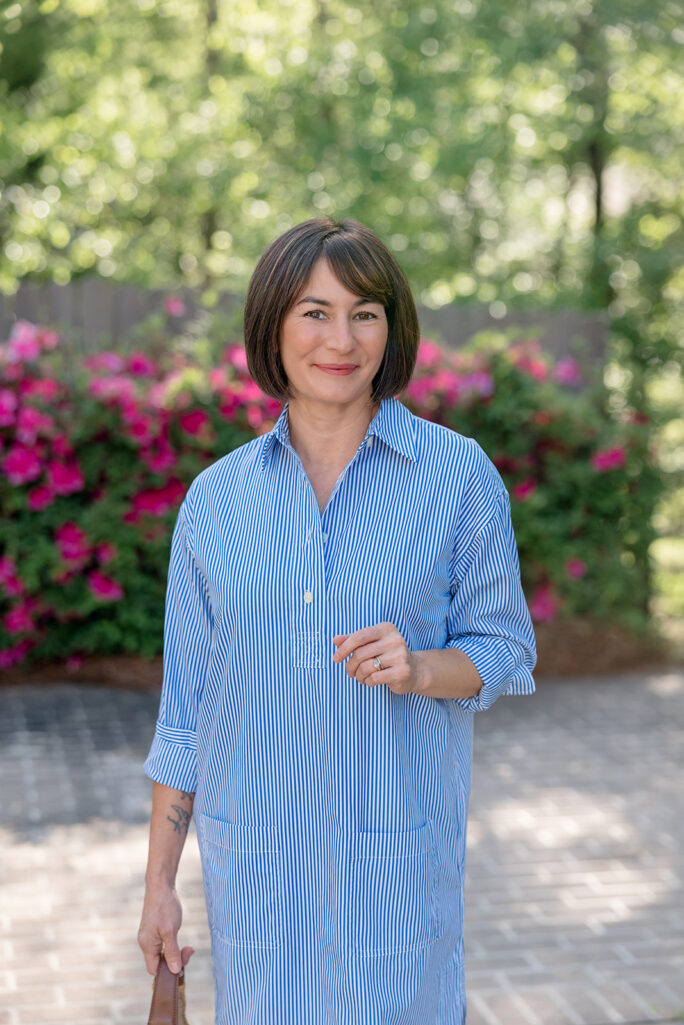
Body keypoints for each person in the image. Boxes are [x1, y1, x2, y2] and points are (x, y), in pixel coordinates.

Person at [138, 217, 537, 1024]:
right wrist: (158, 888)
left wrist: (423, 666)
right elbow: (186, 711)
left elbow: (504, 644)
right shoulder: (215, 502)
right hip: (256, 877)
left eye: (365, 312)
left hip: (394, 869)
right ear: (273, 327)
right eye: (314, 312)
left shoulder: (456, 477)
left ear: (392, 330)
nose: (341, 338)